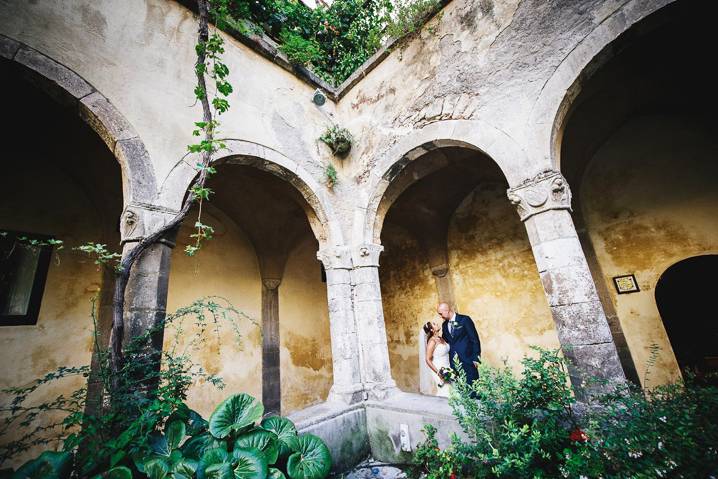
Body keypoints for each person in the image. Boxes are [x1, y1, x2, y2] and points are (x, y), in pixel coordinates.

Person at [437, 302, 481, 388]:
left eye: (440, 313)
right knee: (461, 389)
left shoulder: (465, 319)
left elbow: (474, 339)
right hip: (454, 363)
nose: (440, 316)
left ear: (447, 310)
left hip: (468, 360)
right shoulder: (444, 325)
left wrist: (476, 358)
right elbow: (445, 341)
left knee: (474, 387)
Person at [423, 320, 451, 397]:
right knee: (446, 392)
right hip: (439, 369)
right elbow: (428, 359)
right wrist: (438, 373)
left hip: (448, 367)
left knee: (452, 391)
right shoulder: (432, 341)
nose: (437, 324)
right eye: (434, 324)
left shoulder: (441, 338)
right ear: (432, 330)